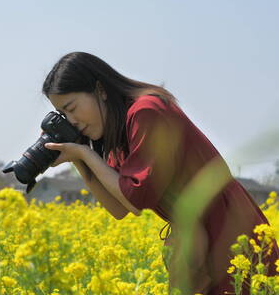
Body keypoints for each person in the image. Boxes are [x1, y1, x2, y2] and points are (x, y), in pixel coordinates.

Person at [41, 51, 278, 294]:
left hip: (229, 234)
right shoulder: (120, 134)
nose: (72, 121)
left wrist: (85, 154)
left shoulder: (146, 111)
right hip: (198, 244)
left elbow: (135, 200)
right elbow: (119, 208)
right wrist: (78, 157)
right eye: (64, 115)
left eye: (72, 108)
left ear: (100, 89)